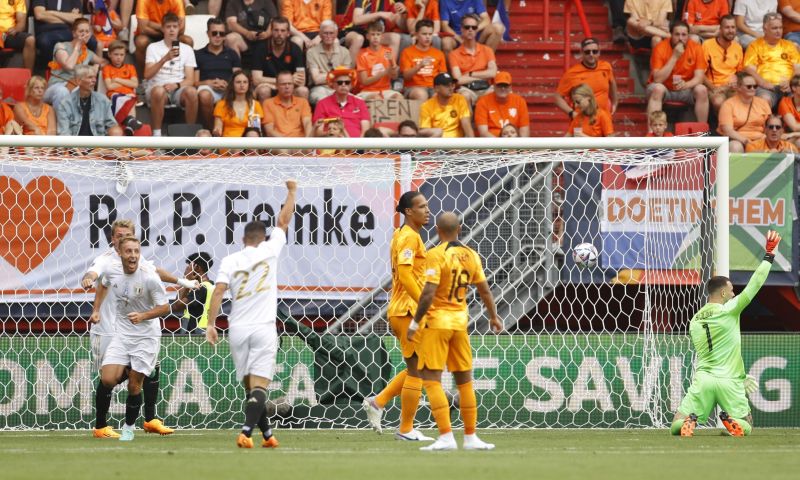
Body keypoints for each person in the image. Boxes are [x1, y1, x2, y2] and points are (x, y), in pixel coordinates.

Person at [81, 219, 197, 438]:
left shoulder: (136, 259)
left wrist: (182, 281)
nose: (123, 240)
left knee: (148, 369)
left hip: (134, 330)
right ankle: (101, 425)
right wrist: (92, 294)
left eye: (128, 235)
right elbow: (96, 276)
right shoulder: (106, 261)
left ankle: (149, 419)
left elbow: (156, 272)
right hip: (106, 328)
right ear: (113, 239)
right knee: (109, 380)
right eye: (119, 236)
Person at [206, 180, 297, 449]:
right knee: (260, 387)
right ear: (262, 238)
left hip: (237, 329)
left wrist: (211, 324)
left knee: (250, 387)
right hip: (264, 328)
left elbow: (219, 291)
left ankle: (267, 437)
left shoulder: (230, 260)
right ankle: (245, 432)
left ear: (244, 239)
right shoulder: (271, 250)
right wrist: (291, 192)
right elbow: (283, 220)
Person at [406, 211, 502, 451]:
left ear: (437, 230)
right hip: (461, 324)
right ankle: (470, 437)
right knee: (465, 382)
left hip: (437, 324)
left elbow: (428, 292)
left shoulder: (436, 254)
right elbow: (485, 291)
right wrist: (493, 317)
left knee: (431, 379)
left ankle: (446, 437)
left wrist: (415, 322)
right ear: (459, 229)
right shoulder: (471, 255)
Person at [671, 230, 782, 437]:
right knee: (747, 425)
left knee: (676, 423)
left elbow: (712, 352)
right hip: (729, 380)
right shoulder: (729, 309)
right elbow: (755, 283)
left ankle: (689, 423)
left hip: (704, 379)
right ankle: (733, 424)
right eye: (731, 290)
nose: (733, 293)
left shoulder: (695, 320)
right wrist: (769, 255)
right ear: (723, 293)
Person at [362, 190, 433, 441]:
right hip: (408, 310)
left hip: (403, 310)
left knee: (418, 368)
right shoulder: (409, 238)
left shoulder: (404, 235)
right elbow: (404, 275)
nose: (427, 210)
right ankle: (405, 429)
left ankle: (378, 402)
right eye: (421, 206)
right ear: (408, 212)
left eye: (427, 205)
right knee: (419, 371)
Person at [93, 237, 169, 442]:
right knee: (107, 379)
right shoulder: (112, 271)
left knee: (134, 386)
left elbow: (165, 307)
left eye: (136, 251)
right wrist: (96, 308)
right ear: (120, 253)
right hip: (123, 335)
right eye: (129, 251)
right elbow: (102, 283)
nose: (133, 255)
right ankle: (137, 368)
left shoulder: (150, 277)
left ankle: (128, 428)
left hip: (146, 336)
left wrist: (143, 316)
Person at [144, 13, 199, 137]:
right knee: (158, 91)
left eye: (175, 26)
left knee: (192, 92)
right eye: (168, 27)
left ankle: (191, 135)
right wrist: (165, 58)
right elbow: (147, 75)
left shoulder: (187, 49)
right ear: (163, 29)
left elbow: (190, 80)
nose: (172, 29)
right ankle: (156, 136)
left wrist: (176, 85)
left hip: (178, 88)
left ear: (179, 28)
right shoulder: (153, 48)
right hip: (157, 87)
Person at [646, 21, 709, 126]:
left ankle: (702, 131)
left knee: (702, 90)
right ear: (671, 35)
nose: (680, 38)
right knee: (657, 89)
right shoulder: (660, 47)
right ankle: (652, 132)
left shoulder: (696, 48)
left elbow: (699, 78)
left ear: (688, 35)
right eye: (677, 34)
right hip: (665, 87)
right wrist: (674, 57)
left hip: (685, 88)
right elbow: (657, 79)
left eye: (684, 35)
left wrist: (686, 85)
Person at [44, 18, 105, 108]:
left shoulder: (88, 52)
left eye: (87, 31)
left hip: (75, 86)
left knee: (86, 93)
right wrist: (78, 46)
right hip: (56, 87)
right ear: (73, 33)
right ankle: (61, 122)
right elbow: (69, 66)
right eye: (81, 31)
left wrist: (96, 66)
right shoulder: (61, 46)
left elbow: (104, 62)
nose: (84, 34)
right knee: (62, 91)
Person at [744, 12, 800, 109]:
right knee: (764, 99)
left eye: (780, 28)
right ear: (765, 29)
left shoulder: (789, 45)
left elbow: (797, 68)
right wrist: (763, 83)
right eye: (775, 28)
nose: (778, 31)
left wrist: (791, 82)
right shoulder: (755, 45)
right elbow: (749, 69)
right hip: (766, 88)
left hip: (789, 86)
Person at [195, 17, 242, 130]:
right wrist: (209, 83)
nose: (217, 36)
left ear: (225, 36)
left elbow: (238, 77)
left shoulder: (232, 54)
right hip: (208, 88)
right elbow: (194, 82)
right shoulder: (198, 54)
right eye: (214, 33)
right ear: (208, 34)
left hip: (228, 88)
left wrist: (229, 85)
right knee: (204, 95)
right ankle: (212, 130)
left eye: (221, 33)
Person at [555, 37, 618, 117]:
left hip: (603, 118)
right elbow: (557, 98)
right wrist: (571, 113)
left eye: (594, 51)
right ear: (581, 52)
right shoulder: (572, 73)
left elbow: (612, 82)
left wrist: (615, 103)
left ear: (599, 53)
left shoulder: (606, 66)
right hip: (582, 120)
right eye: (587, 52)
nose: (591, 54)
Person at [55, 65, 121, 136]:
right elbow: (64, 132)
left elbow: (112, 124)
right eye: (90, 77)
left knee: (116, 130)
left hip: (97, 145)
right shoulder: (65, 103)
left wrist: (115, 131)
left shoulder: (103, 100)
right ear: (78, 81)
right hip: (74, 145)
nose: (94, 80)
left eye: (94, 77)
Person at [253, 16, 308, 101]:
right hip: (270, 87)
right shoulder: (261, 48)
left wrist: (280, 83)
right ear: (271, 31)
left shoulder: (295, 49)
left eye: (283, 31)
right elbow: (256, 79)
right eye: (276, 30)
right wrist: (286, 81)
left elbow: (302, 81)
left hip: (287, 87)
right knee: (263, 90)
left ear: (288, 33)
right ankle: (264, 115)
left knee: (303, 90)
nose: (279, 34)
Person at [448, 14, 498, 106]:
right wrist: (482, 76)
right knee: (464, 96)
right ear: (461, 29)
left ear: (476, 30)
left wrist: (470, 74)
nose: (470, 30)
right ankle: (468, 120)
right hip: (466, 89)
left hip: (485, 88)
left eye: (474, 27)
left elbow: (493, 73)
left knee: (499, 92)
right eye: (467, 27)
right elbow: (458, 80)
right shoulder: (454, 54)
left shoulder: (487, 50)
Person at [718, 72, 773, 153]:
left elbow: (769, 126)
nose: (752, 89)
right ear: (739, 87)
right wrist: (746, 141)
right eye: (749, 86)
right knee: (735, 146)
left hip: (760, 138)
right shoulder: (728, 104)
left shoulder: (763, 103)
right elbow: (728, 130)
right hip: (738, 139)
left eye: (755, 86)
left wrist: (765, 139)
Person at [134, 0, 191, 74]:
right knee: (141, 42)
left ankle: (185, 76)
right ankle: (144, 77)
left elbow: (182, 28)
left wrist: (152, 24)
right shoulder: (143, 1)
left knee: (187, 41)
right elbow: (143, 29)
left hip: (171, 34)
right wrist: (163, 28)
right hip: (151, 34)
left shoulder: (176, 1)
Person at [32, 0, 98, 64]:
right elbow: (39, 15)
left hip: (68, 31)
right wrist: (69, 17)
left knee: (91, 41)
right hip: (47, 31)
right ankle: (54, 68)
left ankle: (80, 67)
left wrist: (51, 12)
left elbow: (78, 19)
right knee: (45, 41)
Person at [702, 15, 743, 114]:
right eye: (727, 27)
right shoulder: (707, 45)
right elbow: (700, 74)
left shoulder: (738, 47)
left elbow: (740, 72)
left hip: (732, 87)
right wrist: (713, 88)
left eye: (733, 27)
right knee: (718, 102)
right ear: (720, 29)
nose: (730, 30)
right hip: (714, 86)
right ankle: (723, 127)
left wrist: (737, 79)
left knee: (741, 101)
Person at [312, 67, 371, 137]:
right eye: (339, 82)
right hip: (331, 144)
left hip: (356, 145)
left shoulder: (360, 103)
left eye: (347, 82)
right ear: (333, 85)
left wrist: (358, 147)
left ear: (351, 85)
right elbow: (318, 132)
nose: (343, 85)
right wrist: (331, 133)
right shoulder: (322, 104)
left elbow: (365, 131)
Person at [307, 20, 354, 105]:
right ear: (320, 35)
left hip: (340, 87)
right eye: (325, 33)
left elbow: (346, 77)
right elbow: (316, 80)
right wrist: (338, 73)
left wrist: (324, 76)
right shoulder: (311, 52)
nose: (328, 36)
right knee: (324, 100)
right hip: (320, 89)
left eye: (331, 33)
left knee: (356, 100)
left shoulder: (345, 52)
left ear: (336, 34)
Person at [400, 19, 448, 101]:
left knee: (440, 96)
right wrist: (420, 66)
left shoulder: (439, 53)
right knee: (421, 94)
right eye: (424, 34)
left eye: (430, 34)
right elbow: (406, 76)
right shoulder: (407, 52)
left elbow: (442, 75)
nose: (428, 37)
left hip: (434, 87)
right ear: (416, 35)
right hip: (414, 87)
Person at [102, 40, 142, 133]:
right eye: (116, 54)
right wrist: (127, 82)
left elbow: (135, 84)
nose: (119, 57)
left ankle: (130, 123)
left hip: (129, 94)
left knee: (131, 97)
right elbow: (109, 86)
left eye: (121, 55)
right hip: (114, 95)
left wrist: (117, 79)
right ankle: (131, 123)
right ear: (109, 54)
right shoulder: (107, 68)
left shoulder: (130, 67)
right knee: (124, 98)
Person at [474, 71, 529, 137]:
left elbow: (524, 130)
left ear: (510, 87)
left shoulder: (519, 101)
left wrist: (519, 146)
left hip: (514, 142)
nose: (503, 88)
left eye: (505, 85)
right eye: (499, 85)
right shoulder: (483, 102)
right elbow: (483, 132)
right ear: (493, 86)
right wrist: (500, 146)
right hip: (492, 144)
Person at [418, 72, 473, 137]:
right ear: (436, 88)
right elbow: (426, 131)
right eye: (447, 86)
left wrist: (472, 144)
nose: (451, 88)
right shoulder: (426, 106)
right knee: (438, 132)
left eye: (452, 85)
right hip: (438, 144)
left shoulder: (460, 99)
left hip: (457, 144)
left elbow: (466, 125)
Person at [357, 20, 402, 100]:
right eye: (373, 34)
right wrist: (384, 72)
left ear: (381, 36)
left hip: (386, 90)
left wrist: (392, 63)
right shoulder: (362, 54)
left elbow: (394, 77)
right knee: (377, 98)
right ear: (367, 36)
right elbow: (365, 81)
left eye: (378, 34)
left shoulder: (388, 51)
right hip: (368, 91)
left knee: (399, 97)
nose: (375, 37)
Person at [171, 252, 215, 335]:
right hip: (205, 330)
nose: (186, 269)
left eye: (189, 266)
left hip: (194, 333)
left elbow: (176, 306)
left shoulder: (200, 288)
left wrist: (186, 280)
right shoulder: (211, 285)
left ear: (197, 267)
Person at [213, 71, 265, 137]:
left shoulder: (255, 105)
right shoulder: (222, 104)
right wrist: (217, 131)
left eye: (245, 82)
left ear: (249, 85)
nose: (242, 85)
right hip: (228, 143)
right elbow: (218, 127)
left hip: (247, 144)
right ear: (232, 85)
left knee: (252, 133)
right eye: (238, 82)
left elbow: (254, 129)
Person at [439, 0, 505, 52]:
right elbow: (444, 25)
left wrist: (474, 30)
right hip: (457, 34)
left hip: (474, 32)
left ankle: (485, 61)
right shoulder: (445, 1)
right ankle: (453, 68)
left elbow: (486, 19)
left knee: (498, 28)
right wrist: (459, 38)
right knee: (446, 42)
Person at [263, 70, 313, 138]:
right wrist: (288, 144)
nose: (287, 87)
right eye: (283, 84)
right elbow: (269, 131)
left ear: (293, 85)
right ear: (276, 86)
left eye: (290, 83)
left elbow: (307, 123)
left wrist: (307, 142)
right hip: (280, 144)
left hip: (301, 143)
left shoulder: (303, 102)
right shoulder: (268, 103)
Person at [0, 0, 36, 71]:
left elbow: (21, 24)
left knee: (30, 40)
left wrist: (16, 29)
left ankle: (28, 78)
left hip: (8, 34)